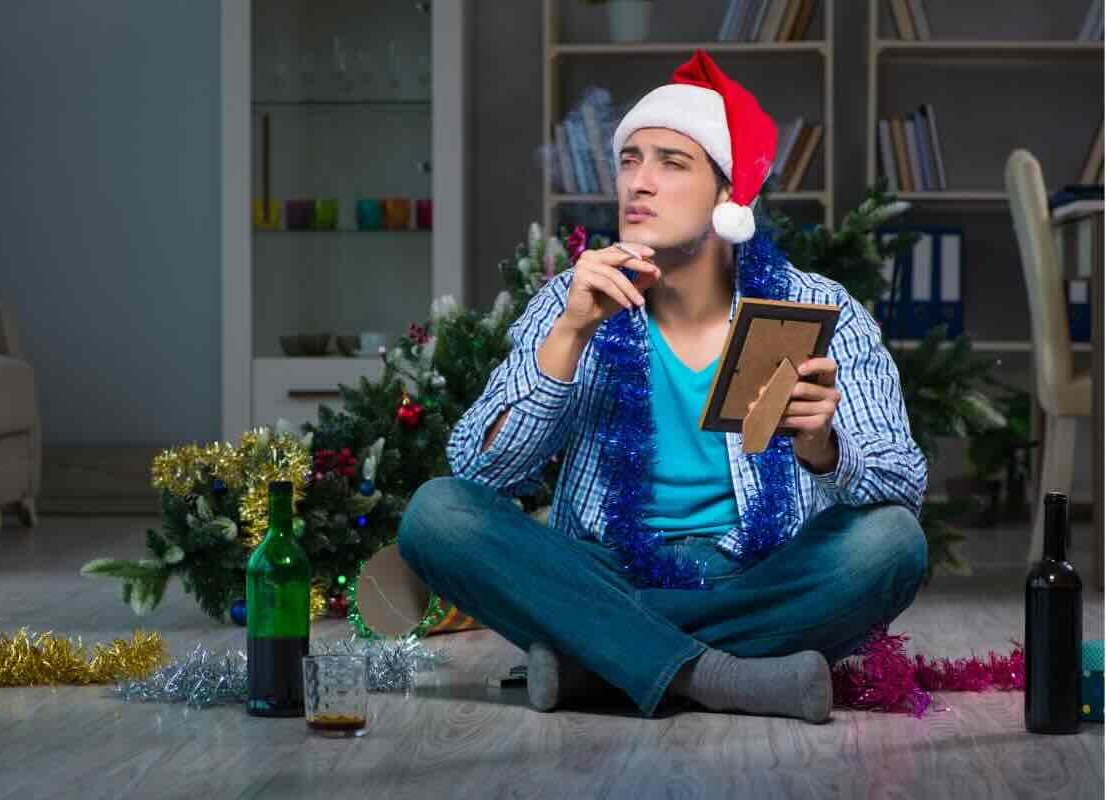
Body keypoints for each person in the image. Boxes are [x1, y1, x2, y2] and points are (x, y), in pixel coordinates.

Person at [397, 50, 929, 724]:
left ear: (729, 196)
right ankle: (720, 676)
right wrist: (569, 335)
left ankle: (600, 657)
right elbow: (478, 469)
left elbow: (903, 485)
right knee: (435, 515)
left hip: (759, 573)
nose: (638, 184)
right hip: (604, 568)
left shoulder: (819, 307)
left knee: (893, 545)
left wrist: (825, 447)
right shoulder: (574, 298)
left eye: (671, 163)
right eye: (629, 160)